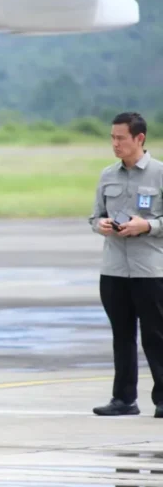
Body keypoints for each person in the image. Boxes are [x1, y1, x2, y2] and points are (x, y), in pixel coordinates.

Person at [88, 112, 163, 420]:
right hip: (114, 270)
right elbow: (94, 216)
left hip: (150, 270)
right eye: (112, 138)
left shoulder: (159, 174)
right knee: (122, 335)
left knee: (155, 335)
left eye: (121, 138)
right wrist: (101, 225)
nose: (115, 144)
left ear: (139, 139)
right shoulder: (107, 175)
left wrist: (147, 226)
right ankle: (123, 398)